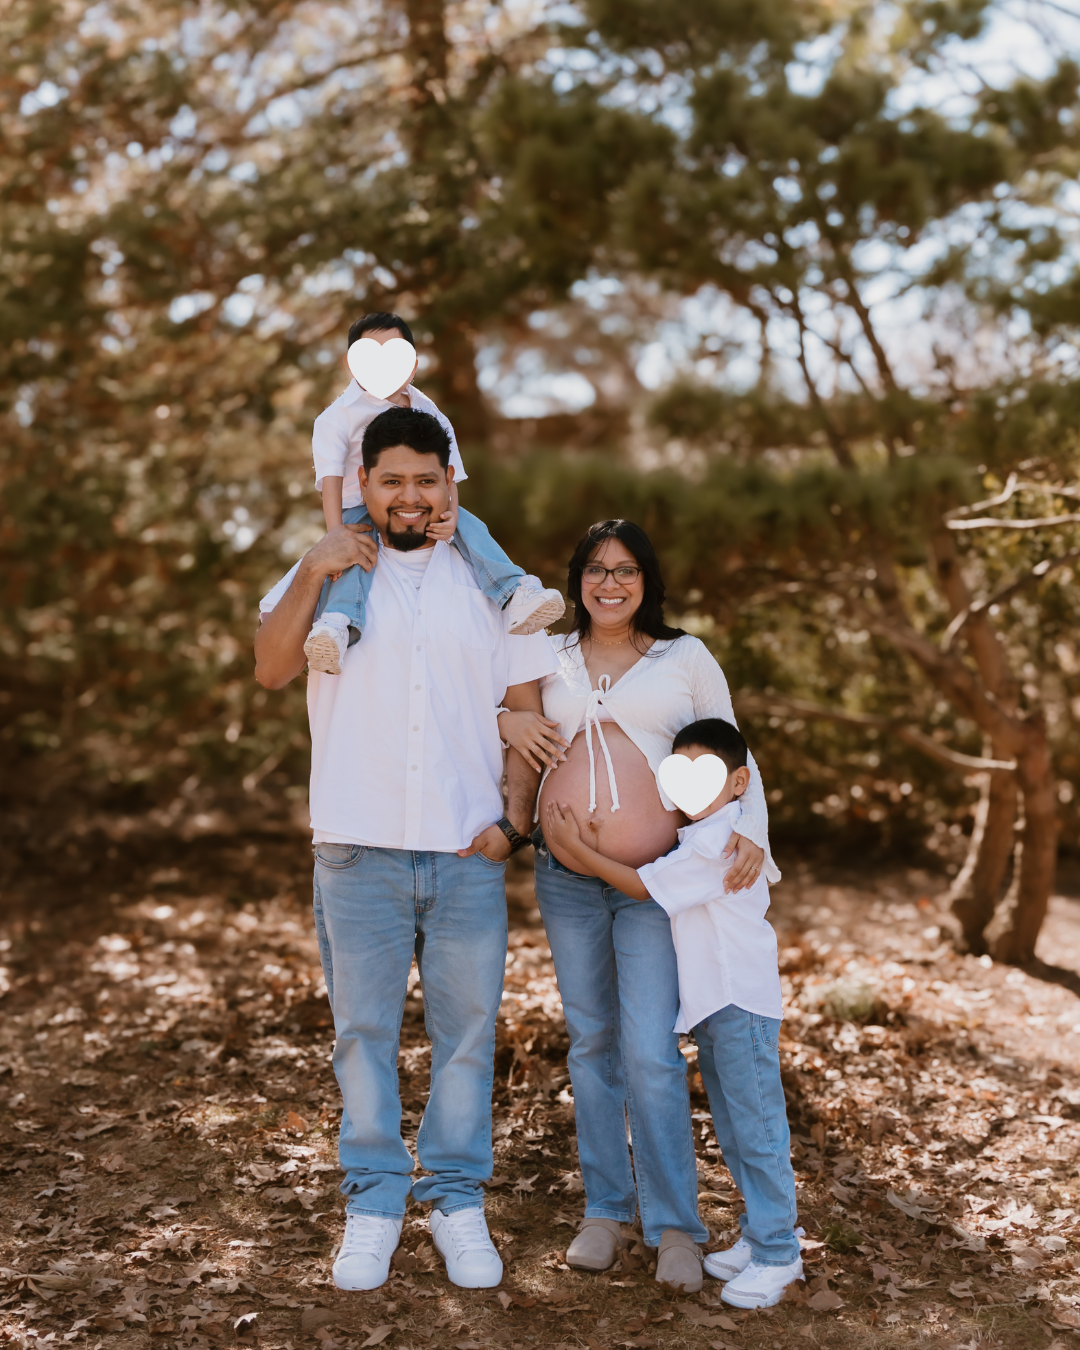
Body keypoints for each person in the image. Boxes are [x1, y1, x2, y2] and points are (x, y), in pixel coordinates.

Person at [254, 406, 559, 1293]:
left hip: (467, 850)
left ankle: (458, 1198)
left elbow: (527, 713)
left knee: (467, 1037)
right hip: (358, 845)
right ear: (364, 487)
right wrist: (312, 566)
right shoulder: (331, 567)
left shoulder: (496, 584)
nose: (410, 495)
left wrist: (513, 823)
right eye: (390, 480)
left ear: (449, 484)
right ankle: (377, 1202)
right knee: (363, 1036)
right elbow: (272, 668)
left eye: (426, 479)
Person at [496, 519, 778, 1295]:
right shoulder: (544, 654)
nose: (609, 583)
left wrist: (748, 836)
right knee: (590, 1043)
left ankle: (677, 1225)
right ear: (576, 578)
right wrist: (503, 719)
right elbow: (502, 718)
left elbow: (736, 751)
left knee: (651, 1048)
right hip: (564, 875)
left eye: (625, 570)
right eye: (594, 569)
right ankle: (605, 1210)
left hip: (655, 880)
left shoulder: (682, 658)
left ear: (647, 580)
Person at [543, 717, 802, 1310]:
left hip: (740, 1003)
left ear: (740, 783)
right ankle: (759, 1233)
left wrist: (579, 851)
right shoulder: (700, 837)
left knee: (757, 1130)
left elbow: (639, 887)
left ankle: (779, 1253)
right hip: (715, 1007)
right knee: (737, 1130)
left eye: (704, 776)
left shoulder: (719, 845)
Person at [302, 311, 563, 673]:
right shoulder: (336, 417)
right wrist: (335, 534)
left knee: (472, 528)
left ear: (412, 364)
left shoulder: (428, 409)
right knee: (356, 558)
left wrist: (452, 513)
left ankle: (514, 593)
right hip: (357, 507)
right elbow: (329, 480)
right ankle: (336, 626)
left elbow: (448, 473)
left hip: (423, 500)